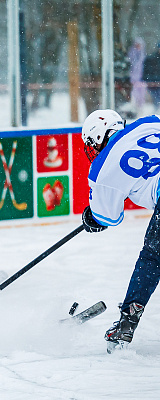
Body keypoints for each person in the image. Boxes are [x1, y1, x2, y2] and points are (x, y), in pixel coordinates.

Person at [81, 109, 160, 353]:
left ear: (97, 138)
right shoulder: (148, 123)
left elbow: (108, 218)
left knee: (152, 258)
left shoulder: (102, 169)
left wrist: (92, 217)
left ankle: (127, 324)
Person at [128, 37, 146, 116]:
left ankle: (140, 110)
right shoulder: (131, 53)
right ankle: (134, 110)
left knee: (141, 96)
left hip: (142, 79)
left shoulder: (143, 54)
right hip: (133, 79)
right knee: (134, 96)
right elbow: (131, 65)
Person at [143, 43, 160, 112]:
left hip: (155, 83)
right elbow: (147, 71)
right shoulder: (151, 58)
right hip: (152, 83)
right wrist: (150, 80)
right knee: (156, 99)